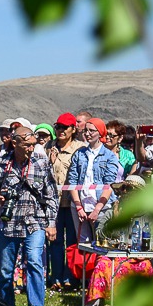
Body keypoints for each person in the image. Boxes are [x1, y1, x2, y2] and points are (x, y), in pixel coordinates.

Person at [0, 127, 57, 306]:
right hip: (8, 224)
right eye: (27, 145)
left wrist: (51, 223)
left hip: (35, 221)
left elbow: (51, 194)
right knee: (6, 269)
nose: (31, 149)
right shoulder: (2, 163)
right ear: (15, 143)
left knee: (34, 261)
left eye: (33, 145)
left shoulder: (41, 163)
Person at [78, 175, 153, 306]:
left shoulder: (147, 215)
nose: (125, 192)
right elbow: (99, 234)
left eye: (129, 188)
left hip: (138, 257)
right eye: (124, 188)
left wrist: (144, 252)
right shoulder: (113, 209)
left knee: (146, 266)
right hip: (114, 254)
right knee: (102, 266)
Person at [67, 117, 122, 243]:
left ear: (100, 133)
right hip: (80, 206)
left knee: (101, 242)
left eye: (92, 131)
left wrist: (97, 209)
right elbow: (72, 181)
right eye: (86, 130)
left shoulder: (110, 156)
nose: (87, 134)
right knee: (83, 244)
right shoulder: (79, 153)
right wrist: (78, 206)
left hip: (101, 207)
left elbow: (109, 185)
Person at [45, 112, 83, 290]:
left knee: (74, 242)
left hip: (73, 203)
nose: (60, 130)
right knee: (55, 241)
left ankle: (71, 277)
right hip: (53, 204)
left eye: (64, 127)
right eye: (57, 126)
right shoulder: (48, 147)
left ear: (73, 129)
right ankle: (56, 277)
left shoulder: (80, 148)